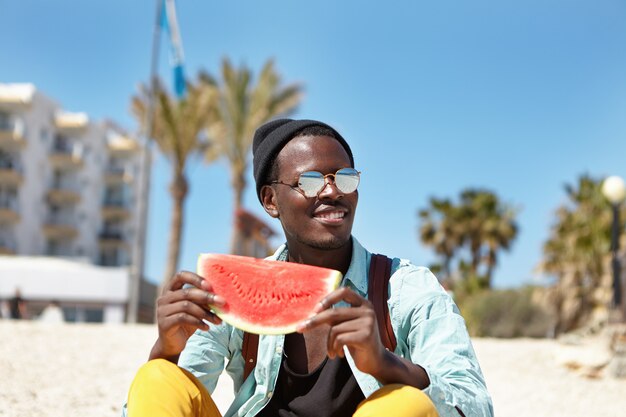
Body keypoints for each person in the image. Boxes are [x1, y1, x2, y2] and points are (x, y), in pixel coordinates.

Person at [125, 119, 494, 417]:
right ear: (271, 200)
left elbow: (475, 406)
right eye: (311, 181)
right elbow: (178, 399)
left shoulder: (405, 288)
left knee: (404, 404)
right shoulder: (233, 289)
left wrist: (387, 365)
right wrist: (167, 349)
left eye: (345, 177)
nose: (333, 191)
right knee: (157, 377)